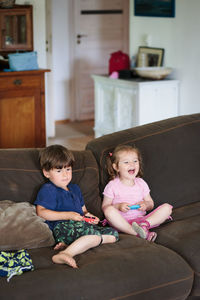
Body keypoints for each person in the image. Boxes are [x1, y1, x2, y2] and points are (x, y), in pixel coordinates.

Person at [35, 144, 119, 269]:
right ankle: (65, 254)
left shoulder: (75, 189)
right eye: (59, 171)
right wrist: (68, 215)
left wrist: (89, 217)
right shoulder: (48, 189)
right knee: (93, 234)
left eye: (68, 169)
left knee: (113, 234)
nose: (65, 175)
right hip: (62, 227)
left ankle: (74, 243)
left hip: (81, 225)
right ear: (47, 173)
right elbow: (41, 212)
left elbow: (83, 211)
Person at [102, 145, 173, 242]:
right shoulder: (112, 185)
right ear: (116, 167)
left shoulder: (141, 183)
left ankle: (143, 227)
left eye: (135, 161)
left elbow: (150, 203)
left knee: (167, 208)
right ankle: (136, 232)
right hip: (122, 223)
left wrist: (145, 205)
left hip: (142, 220)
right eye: (126, 162)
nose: (132, 164)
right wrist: (118, 206)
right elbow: (105, 207)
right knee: (109, 211)